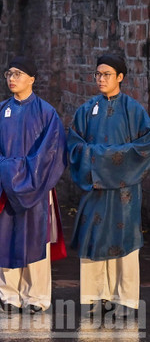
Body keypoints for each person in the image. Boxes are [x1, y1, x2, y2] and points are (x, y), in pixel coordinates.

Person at [0, 57, 67, 314]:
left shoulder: (46, 113)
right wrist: (9, 173)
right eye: (8, 73)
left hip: (36, 188)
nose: (11, 78)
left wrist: (24, 175)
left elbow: (52, 152)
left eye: (17, 74)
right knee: (6, 239)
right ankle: (9, 296)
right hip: (5, 187)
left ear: (32, 78)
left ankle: (36, 297)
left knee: (36, 240)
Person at [68, 53, 150, 317]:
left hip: (125, 190)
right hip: (95, 188)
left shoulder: (134, 110)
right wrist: (97, 158)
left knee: (125, 241)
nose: (100, 79)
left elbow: (145, 147)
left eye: (106, 74)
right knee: (93, 238)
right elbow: (74, 145)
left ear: (120, 77)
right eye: (97, 74)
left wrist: (102, 157)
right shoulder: (86, 109)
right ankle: (94, 296)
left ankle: (125, 299)